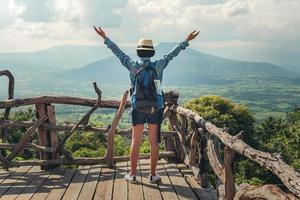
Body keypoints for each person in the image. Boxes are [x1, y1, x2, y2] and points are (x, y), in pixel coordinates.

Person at [93, 26, 199, 183]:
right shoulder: (159, 65)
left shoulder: (133, 65)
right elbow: (171, 55)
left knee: (136, 141)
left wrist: (105, 38)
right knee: (153, 142)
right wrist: (186, 41)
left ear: (138, 52)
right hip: (156, 108)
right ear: (152, 52)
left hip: (138, 108)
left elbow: (118, 53)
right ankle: (153, 175)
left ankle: (133, 175)